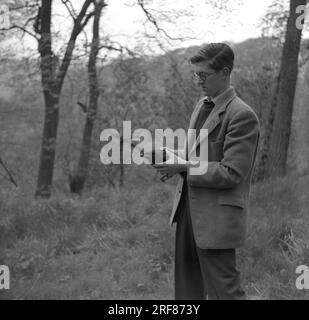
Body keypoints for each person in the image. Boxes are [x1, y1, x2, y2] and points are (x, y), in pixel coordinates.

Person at [152, 43, 260, 300]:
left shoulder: (242, 116)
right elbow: (197, 158)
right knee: (187, 291)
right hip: (187, 211)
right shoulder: (201, 105)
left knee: (225, 293)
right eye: (195, 75)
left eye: (203, 75)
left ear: (224, 72)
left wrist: (184, 167)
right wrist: (172, 158)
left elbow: (231, 172)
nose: (198, 81)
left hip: (217, 218)